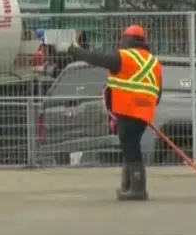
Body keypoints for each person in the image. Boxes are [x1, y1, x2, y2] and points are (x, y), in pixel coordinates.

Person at [68, 24, 162, 201]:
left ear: (125, 39)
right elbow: (158, 92)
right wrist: (145, 108)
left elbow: (97, 58)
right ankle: (127, 185)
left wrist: (75, 51)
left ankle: (138, 188)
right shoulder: (153, 61)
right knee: (130, 146)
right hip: (143, 114)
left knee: (131, 148)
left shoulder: (123, 57)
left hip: (128, 110)